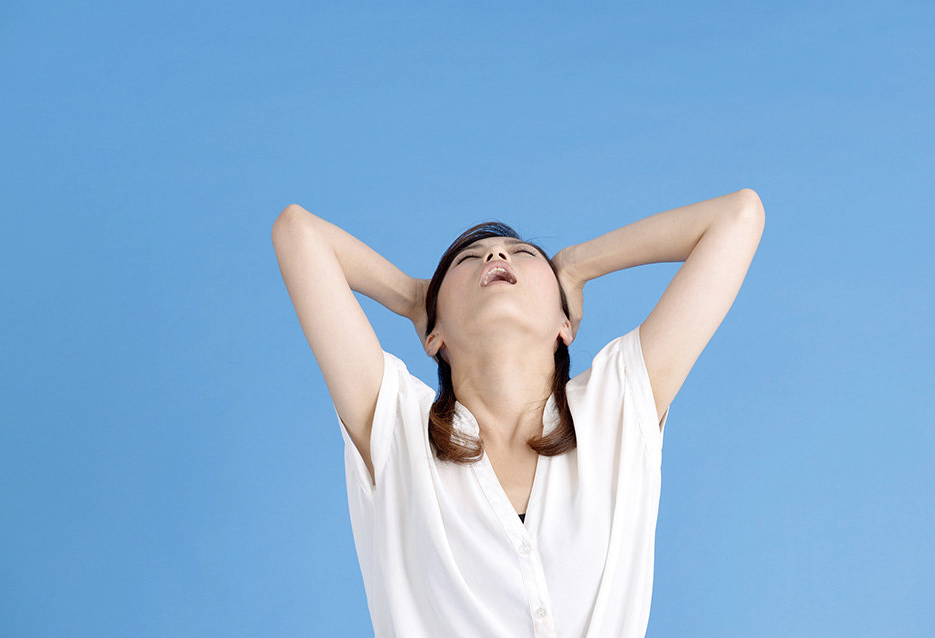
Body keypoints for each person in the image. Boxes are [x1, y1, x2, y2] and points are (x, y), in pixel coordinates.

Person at [271, 190, 764, 637]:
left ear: (565, 324)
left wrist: (576, 264)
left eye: (524, 254)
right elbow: (298, 232)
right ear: (433, 336)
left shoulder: (616, 405)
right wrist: (414, 297)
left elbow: (738, 216)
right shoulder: (396, 428)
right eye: (467, 260)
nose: (496, 255)